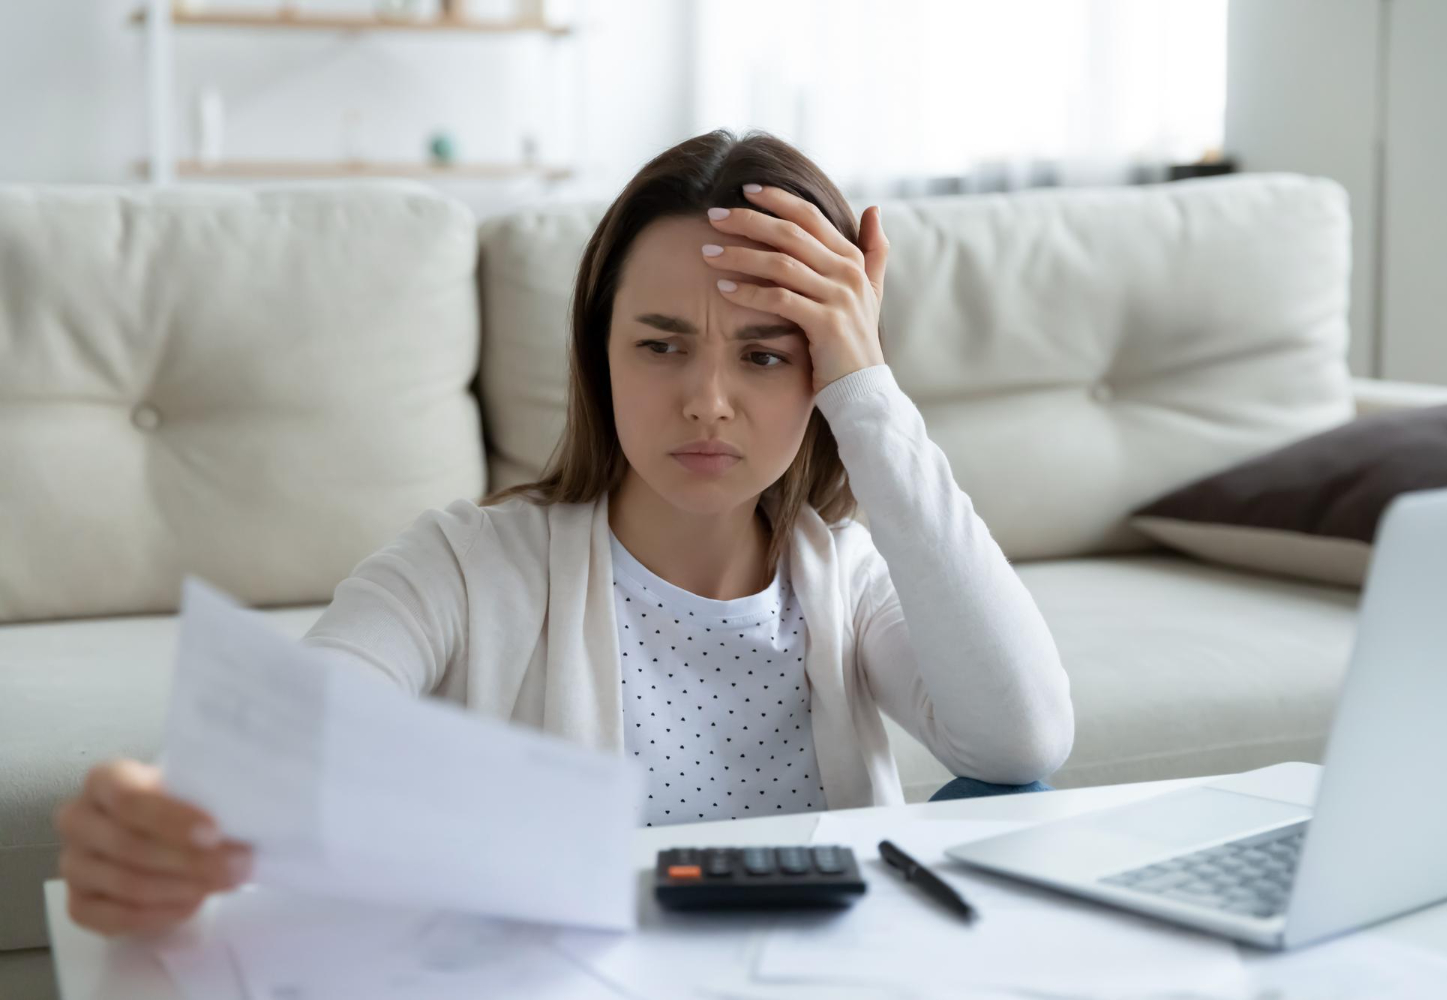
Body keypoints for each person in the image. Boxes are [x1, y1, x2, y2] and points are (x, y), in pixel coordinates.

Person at [53, 129, 1074, 937]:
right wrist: (157, 821)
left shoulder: (848, 579)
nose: (707, 402)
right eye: (661, 345)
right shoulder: (461, 565)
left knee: (1013, 791)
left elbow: (1023, 735)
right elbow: (284, 745)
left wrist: (869, 389)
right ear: (601, 355)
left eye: (768, 355)